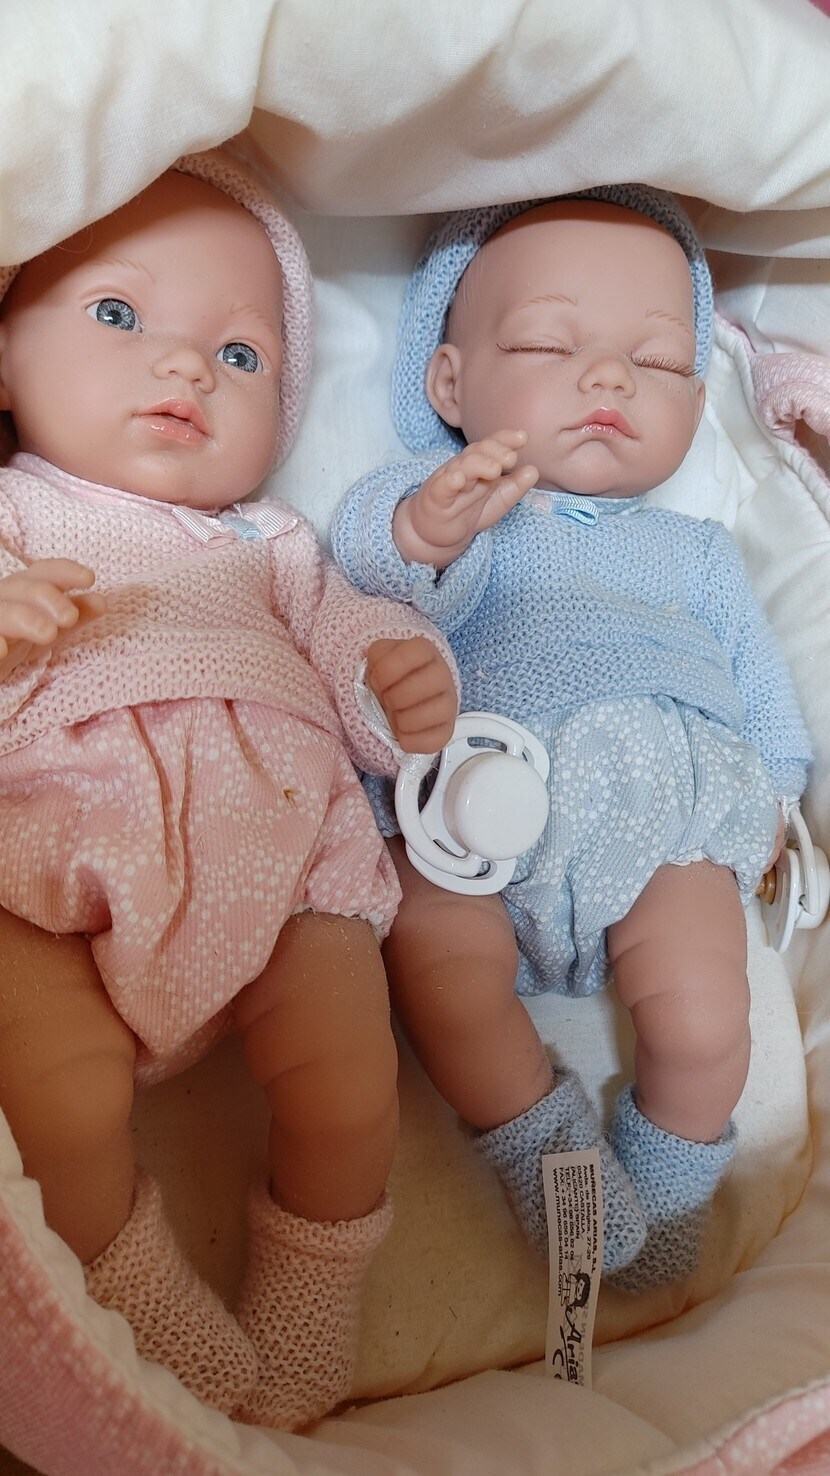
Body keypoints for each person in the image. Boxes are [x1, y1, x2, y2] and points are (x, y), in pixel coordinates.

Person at [0, 148, 457, 1427]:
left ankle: (314, 1276)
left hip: (284, 845)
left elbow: (350, 637)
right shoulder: (14, 514)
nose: (186, 366)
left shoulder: (272, 542)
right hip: (48, 839)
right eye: (117, 313)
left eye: (240, 354)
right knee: (54, 1093)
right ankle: (128, 1280)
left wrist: (393, 677)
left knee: (349, 1084)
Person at [331, 185, 812, 1290]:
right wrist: (428, 521)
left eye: (656, 361)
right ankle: (549, 1155)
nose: (608, 379)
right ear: (449, 383)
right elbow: (370, 572)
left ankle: (669, 1183)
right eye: (551, 344)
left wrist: (779, 796)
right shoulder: (445, 505)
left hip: (667, 812)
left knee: (707, 1019)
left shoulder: (696, 551)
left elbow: (760, 684)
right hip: (474, 810)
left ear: (698, 400)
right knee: (439, 976)